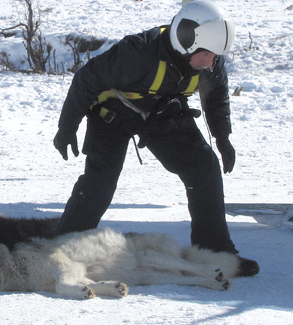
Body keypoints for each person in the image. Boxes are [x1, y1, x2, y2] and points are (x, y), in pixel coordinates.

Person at [52, 0, 258, 277]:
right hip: (111, 114)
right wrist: (67, 127)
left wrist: (222, 137)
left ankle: (215, 252)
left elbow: (217, 96)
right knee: (100, 181)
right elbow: (86, 79)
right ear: (186, 41)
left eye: (216, 56)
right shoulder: (138, 52)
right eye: (207, 55)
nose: (211, 63)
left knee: (203, 168)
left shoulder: (211, 60)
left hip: (162, 111)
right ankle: (61, 251)